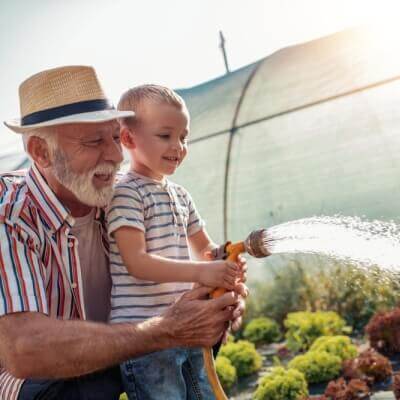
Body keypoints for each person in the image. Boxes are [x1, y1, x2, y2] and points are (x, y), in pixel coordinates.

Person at [0, 66, 247, 400]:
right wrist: (166, 329)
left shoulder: (119, 196)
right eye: (94, 141)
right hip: (36, 380)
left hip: (125, 349)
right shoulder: (11, 215)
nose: (117, 156)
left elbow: (190, 263)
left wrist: (220, 298)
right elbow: (25, 350)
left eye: (115, 137)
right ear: (41, 152)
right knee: (84, 391)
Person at [107, 84, 245, 400]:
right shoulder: (126, 193)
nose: (178, 146)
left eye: (184, 137)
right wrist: (201, 273)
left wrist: (224, 260)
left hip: (188, 325)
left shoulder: (181, 195)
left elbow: (205, 251)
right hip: (146, 339)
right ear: (128, 139)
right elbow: (136, 262)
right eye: (165, 135)